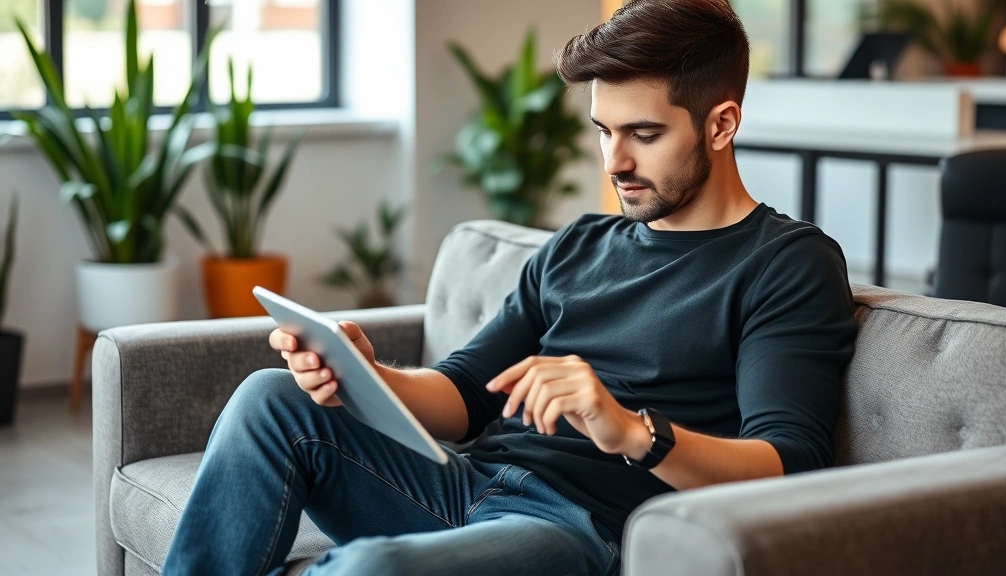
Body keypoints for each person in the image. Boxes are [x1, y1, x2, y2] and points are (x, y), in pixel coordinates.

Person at [162, 1, 858, 574]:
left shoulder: (786, 263)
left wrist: (627, 431)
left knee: (370, 570)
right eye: (603, 131)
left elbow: (787, 466)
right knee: (270, 399)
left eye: (643, 134)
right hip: (466, 486)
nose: (615, 161)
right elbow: (464, 395)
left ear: (721, 124)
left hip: (580, 531)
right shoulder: (578, 246)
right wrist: (366, 376)